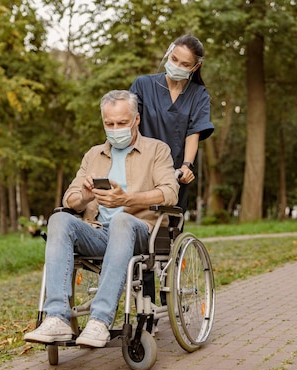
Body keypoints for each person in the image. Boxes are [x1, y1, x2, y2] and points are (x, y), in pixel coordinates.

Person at [23, 90, 179, 348]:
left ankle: (100, 321)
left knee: (121, 220)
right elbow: (69, 198)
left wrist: (126, 200)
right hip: (97, 233)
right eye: (109, 124)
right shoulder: (93, 155)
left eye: (121, 123)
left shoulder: (157, 150)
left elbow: (170, 193)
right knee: (58, 219)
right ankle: (57, 318)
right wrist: (83, 198)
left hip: (141, 232)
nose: (115, 129)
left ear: (137, 120)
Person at [130, 34, 214, 213]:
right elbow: (128, 123)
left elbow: (194, 133)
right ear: (169, 54)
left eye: (185, 64)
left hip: (174, 172)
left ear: (195, 67)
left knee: (166, 229)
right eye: (174, 59)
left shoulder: (199, 95)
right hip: (140, 167)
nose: (177, 66)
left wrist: (187, 165)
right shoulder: (143, 85)